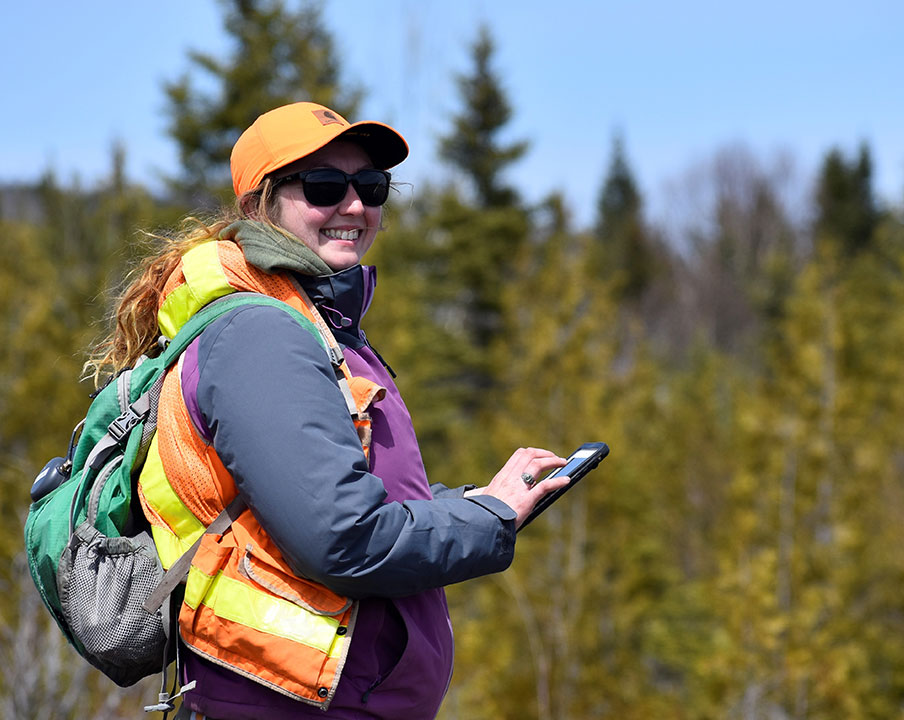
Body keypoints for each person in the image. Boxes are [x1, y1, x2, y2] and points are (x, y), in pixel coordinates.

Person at [86, 101, 569, 719]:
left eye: (371, 186)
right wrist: (488, 522)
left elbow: (349, 501)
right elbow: (344, 539)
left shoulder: (318, 327)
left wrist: (482, 502)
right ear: (260, 205)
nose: (354, 206)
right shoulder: (262, 336)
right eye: (322, 186)